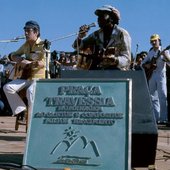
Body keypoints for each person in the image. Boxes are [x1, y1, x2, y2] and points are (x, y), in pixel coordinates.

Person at [3, 20, 49, 122]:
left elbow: (44, 63)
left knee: (30, 92)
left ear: (36, 32)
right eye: (25, 30)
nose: (26, 33)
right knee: (7, 87)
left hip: (39, 78)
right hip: (27, 77)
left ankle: (33, 120)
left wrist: (31, 63)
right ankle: (21, 109)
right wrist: (20, 60)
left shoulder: (43, 45)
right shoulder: (26, 45)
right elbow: (13, 55)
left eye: (28, 30)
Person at [72, 5, 131, 70]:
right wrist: (80, 36)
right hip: (99, 72)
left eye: (103, 16)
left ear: (111, 18)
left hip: (118, 72)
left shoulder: (122, 33)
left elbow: (127, 59)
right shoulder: (96, 34)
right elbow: (77, 47)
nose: (99, 19)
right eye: (98, 16)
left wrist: (114, 60)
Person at [142, 34, 170, 125]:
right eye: (152, 41)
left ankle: (163, 118)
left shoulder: (164, 51)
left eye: (155, 40)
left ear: (159, 40)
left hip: (161, 75)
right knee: (152, 97)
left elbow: (169, 62)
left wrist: (166, 56)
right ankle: (156, 117)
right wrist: (147, 65)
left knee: (162, 96)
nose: (153, 42)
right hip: (152, 75)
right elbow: (143, 63)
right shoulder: (150, 52)